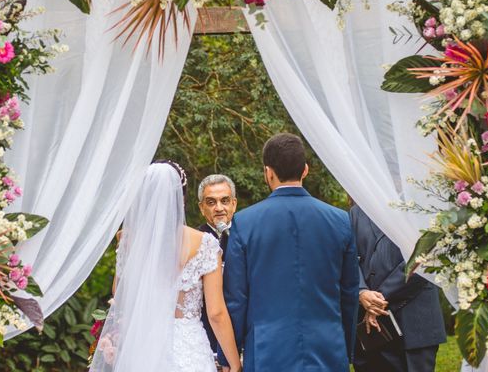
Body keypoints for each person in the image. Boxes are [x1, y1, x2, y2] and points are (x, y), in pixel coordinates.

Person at [219, 133, 360, 372]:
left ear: (268, 172)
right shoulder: (339, 220)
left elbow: (237, 298)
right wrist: (346, 347)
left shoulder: (245, 222)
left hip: (267, 352)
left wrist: (231, 356)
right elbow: (349, 293)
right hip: (328, 348)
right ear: (305, 170)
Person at [90, 162, 242, 372]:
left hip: (143, 346)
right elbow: (216, 313)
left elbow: (120, 295)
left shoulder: (129, 240)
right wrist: (234, 363)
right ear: (183, 198)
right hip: (189, 348)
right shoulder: (204, 243)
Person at [349, 204, 446, 372]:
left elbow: (425, 258)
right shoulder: (356, 212)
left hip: (414, 322)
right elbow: (347, 255)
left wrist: (378, 299)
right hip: (369, 325)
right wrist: (361, 291)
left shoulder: (420, 205)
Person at [197, 174, 238, 356]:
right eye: (211, 202)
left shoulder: (248, 238)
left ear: (234, 204)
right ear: (201, 207)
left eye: (225, 201)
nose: (219, 208)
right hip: (204, 334)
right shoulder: (193, 242)